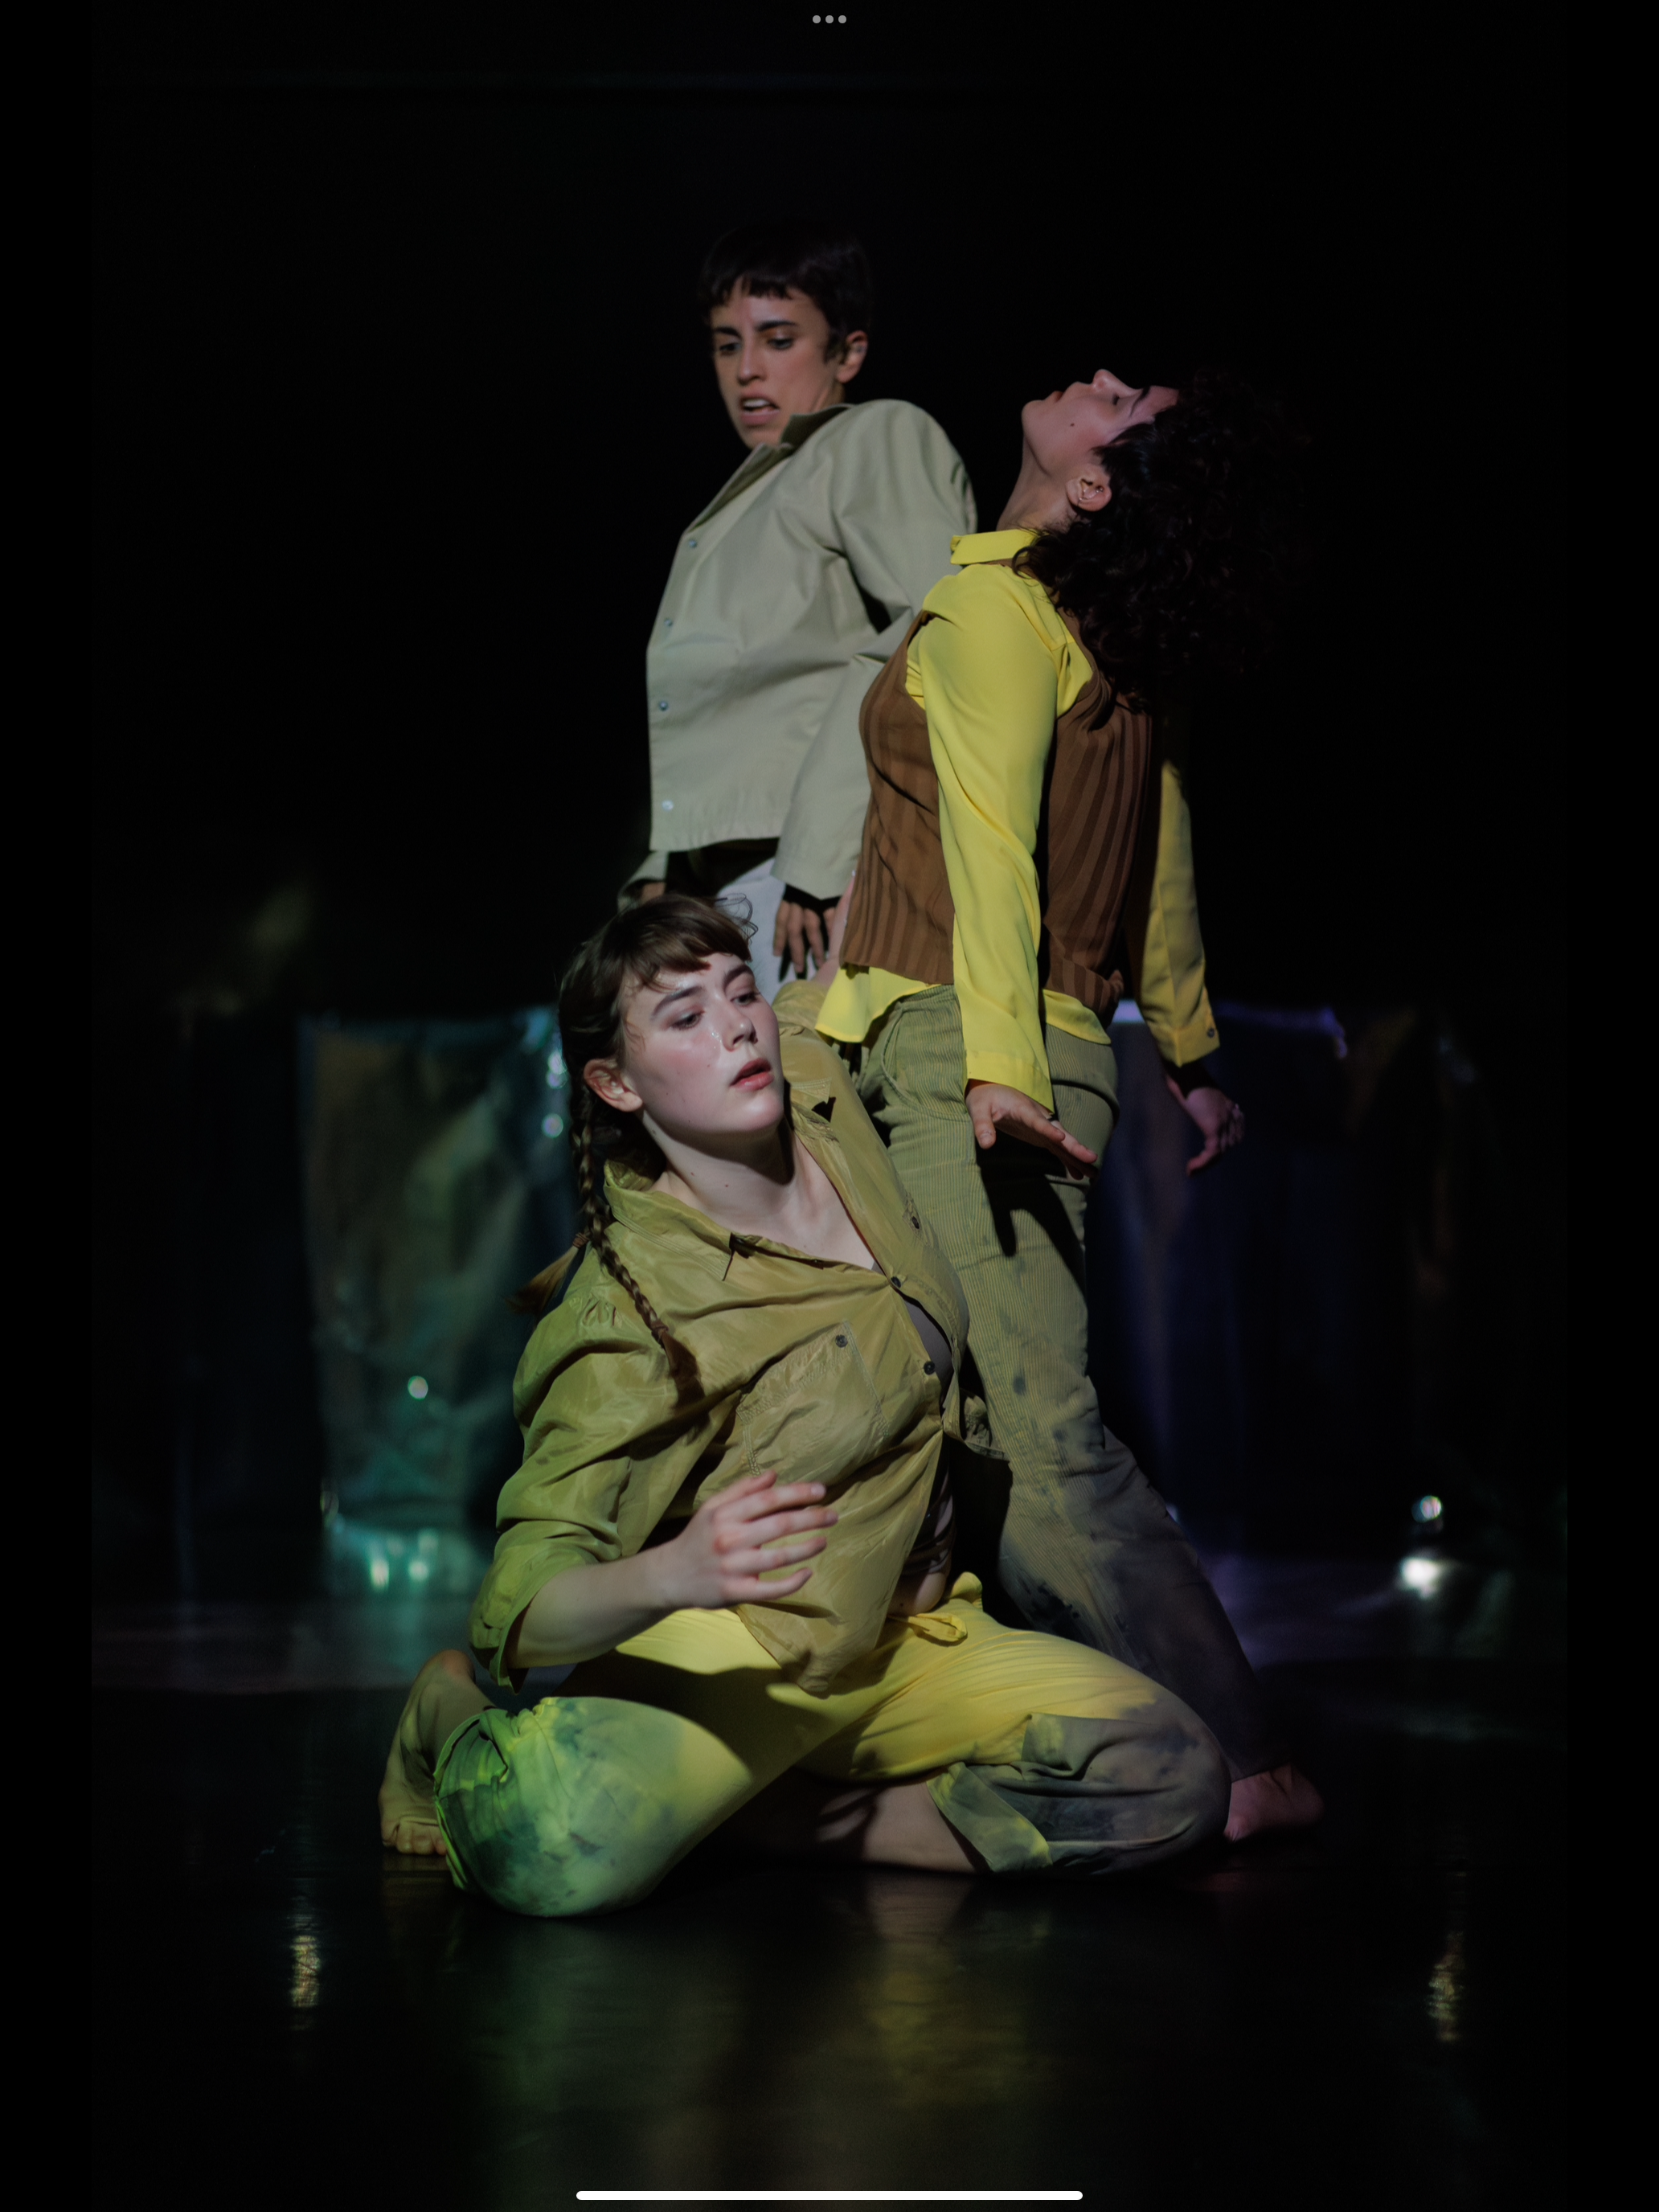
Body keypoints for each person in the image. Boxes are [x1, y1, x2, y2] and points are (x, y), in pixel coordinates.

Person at [379, 895, 1228, 1915]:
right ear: (615, 1083)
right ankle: (445, 1720)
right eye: (685, 1016)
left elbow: (867, 921)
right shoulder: (627, 1313)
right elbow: (516, 1604)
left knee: (1173, 1778)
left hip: (908, 1644)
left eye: (740, 993)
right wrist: (677, 1572)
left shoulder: (818, 1088)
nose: (737, 1027)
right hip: (751, 1656)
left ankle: (771, 1817)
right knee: (548, 1854)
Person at [817, 367, 1323, 1840]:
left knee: (1038, 1432)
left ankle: (1248, 1763)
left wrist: (992, 1070)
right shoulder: (1109, 639)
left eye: (1120, 407)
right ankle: (1003, 1713)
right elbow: (1161, 870)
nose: (1095, 379)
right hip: (1036, 1045)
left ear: (1093, 486)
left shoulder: (993, 608)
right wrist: (1189, 1052)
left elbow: (989, 853)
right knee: (961, 1415)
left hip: (960, 1046)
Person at [627, 222, 974, 993]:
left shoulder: (873, 436)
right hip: (734, 881)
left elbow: (935, 633)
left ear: (847, 352)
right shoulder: (756, 492)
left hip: (812, 880)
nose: (747, 369)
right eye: (726, 344)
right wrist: (666, 868)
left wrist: (818, 862)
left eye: (779, 340)